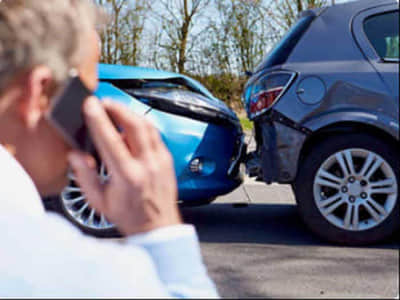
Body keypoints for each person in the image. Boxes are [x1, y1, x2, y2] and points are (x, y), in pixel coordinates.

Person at [0, 0, 218, 297]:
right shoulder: (71, 272)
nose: (92, 118)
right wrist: (159, 227)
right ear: (38, 93)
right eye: (84, 98)